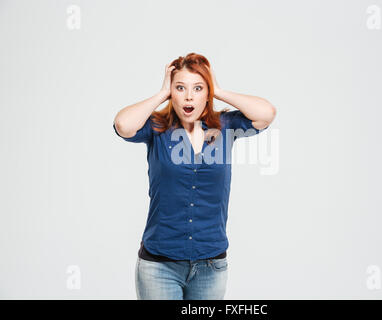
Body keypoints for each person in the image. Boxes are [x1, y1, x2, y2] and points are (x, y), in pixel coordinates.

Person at [113, 53, 276, 300]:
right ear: (172, 92)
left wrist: (218, 90)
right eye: (180, 88)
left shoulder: (226, 125)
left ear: (206, 93)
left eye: (198, 88)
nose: (189, 96)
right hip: (159, 266)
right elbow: (123, 125)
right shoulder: (157, 127)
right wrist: (160, 94)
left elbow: (266, 113)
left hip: (211, 266)